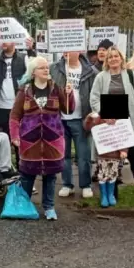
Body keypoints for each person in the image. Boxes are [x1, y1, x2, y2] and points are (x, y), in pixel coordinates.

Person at [9, 56, 74, 220]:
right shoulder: (24, 91)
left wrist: (69, 94)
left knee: (50, 176)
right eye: (42, 68)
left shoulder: (56, 89)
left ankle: (49, 207)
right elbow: (15, 116)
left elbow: (68, 109)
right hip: (30, 142)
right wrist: (15, 136)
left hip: (53, 141)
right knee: (27, 175)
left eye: (47, 67)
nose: (46, 70)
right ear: (33, 73)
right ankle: (24, 205)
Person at [90, 47, 134, 202]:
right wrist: (104, 114)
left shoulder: (130, 75)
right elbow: (94, 98)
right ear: (106, 60)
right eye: (110, 57)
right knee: (112, 160)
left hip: (129, 122)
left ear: (121, 58)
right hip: (110, 123)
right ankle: (112, 193)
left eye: (116, 56)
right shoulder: (101, 77)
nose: (113, 59)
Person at [50, 51, 98, 199]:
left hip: (81, 118)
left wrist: (93, 114)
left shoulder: (90, 71)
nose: (65, 52)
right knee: (64, 155)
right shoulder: (55, 68)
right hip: (60, 118)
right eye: (63, 49)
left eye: (69, 48)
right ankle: (67, 184)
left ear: (79, 51)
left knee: (83, 154)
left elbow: (95, 93)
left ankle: (85, 185)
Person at [0, 32, 35, 137]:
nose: (3, 42)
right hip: (1, 106)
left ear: (14, 42)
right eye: (1, 39)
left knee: (21, 138)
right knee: (4, 138)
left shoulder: (23, 58)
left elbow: (34, 65)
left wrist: (30, 49)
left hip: (19, 106)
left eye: (6, 39)